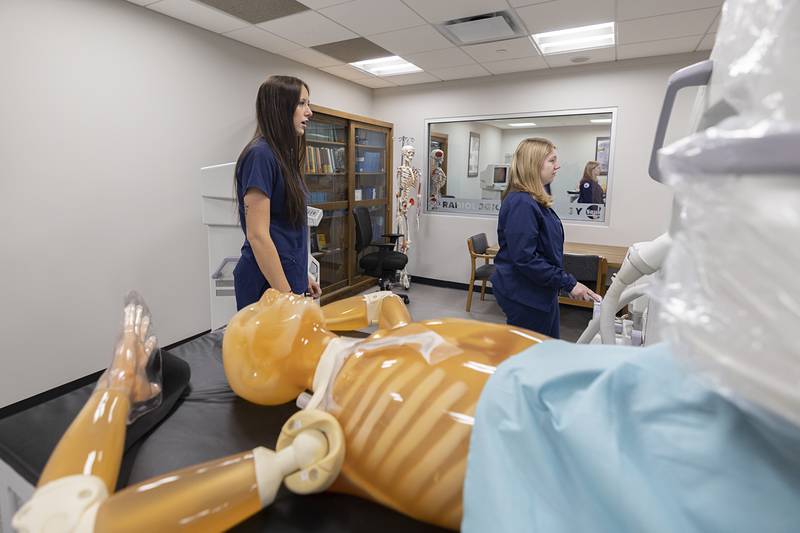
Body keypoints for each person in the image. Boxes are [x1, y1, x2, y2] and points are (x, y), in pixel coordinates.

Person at [490, 138, 600, 338]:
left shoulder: (534, 199)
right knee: (532, 355)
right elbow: (525, 258)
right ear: (533, 164)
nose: (557, 166)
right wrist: (569, 283)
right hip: (525, 295)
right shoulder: (521, 203)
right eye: (552, 160)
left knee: (547, 349)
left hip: (540, 291)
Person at [233, 75, 321, 310]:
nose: (309, 112)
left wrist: (301, 276)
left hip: (284, 281)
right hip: (265, 286)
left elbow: (287, 231)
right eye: (302, 103)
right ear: (280, 109)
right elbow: (258, 235)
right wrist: (287, 295)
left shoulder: (284, 157)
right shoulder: (260, 155)